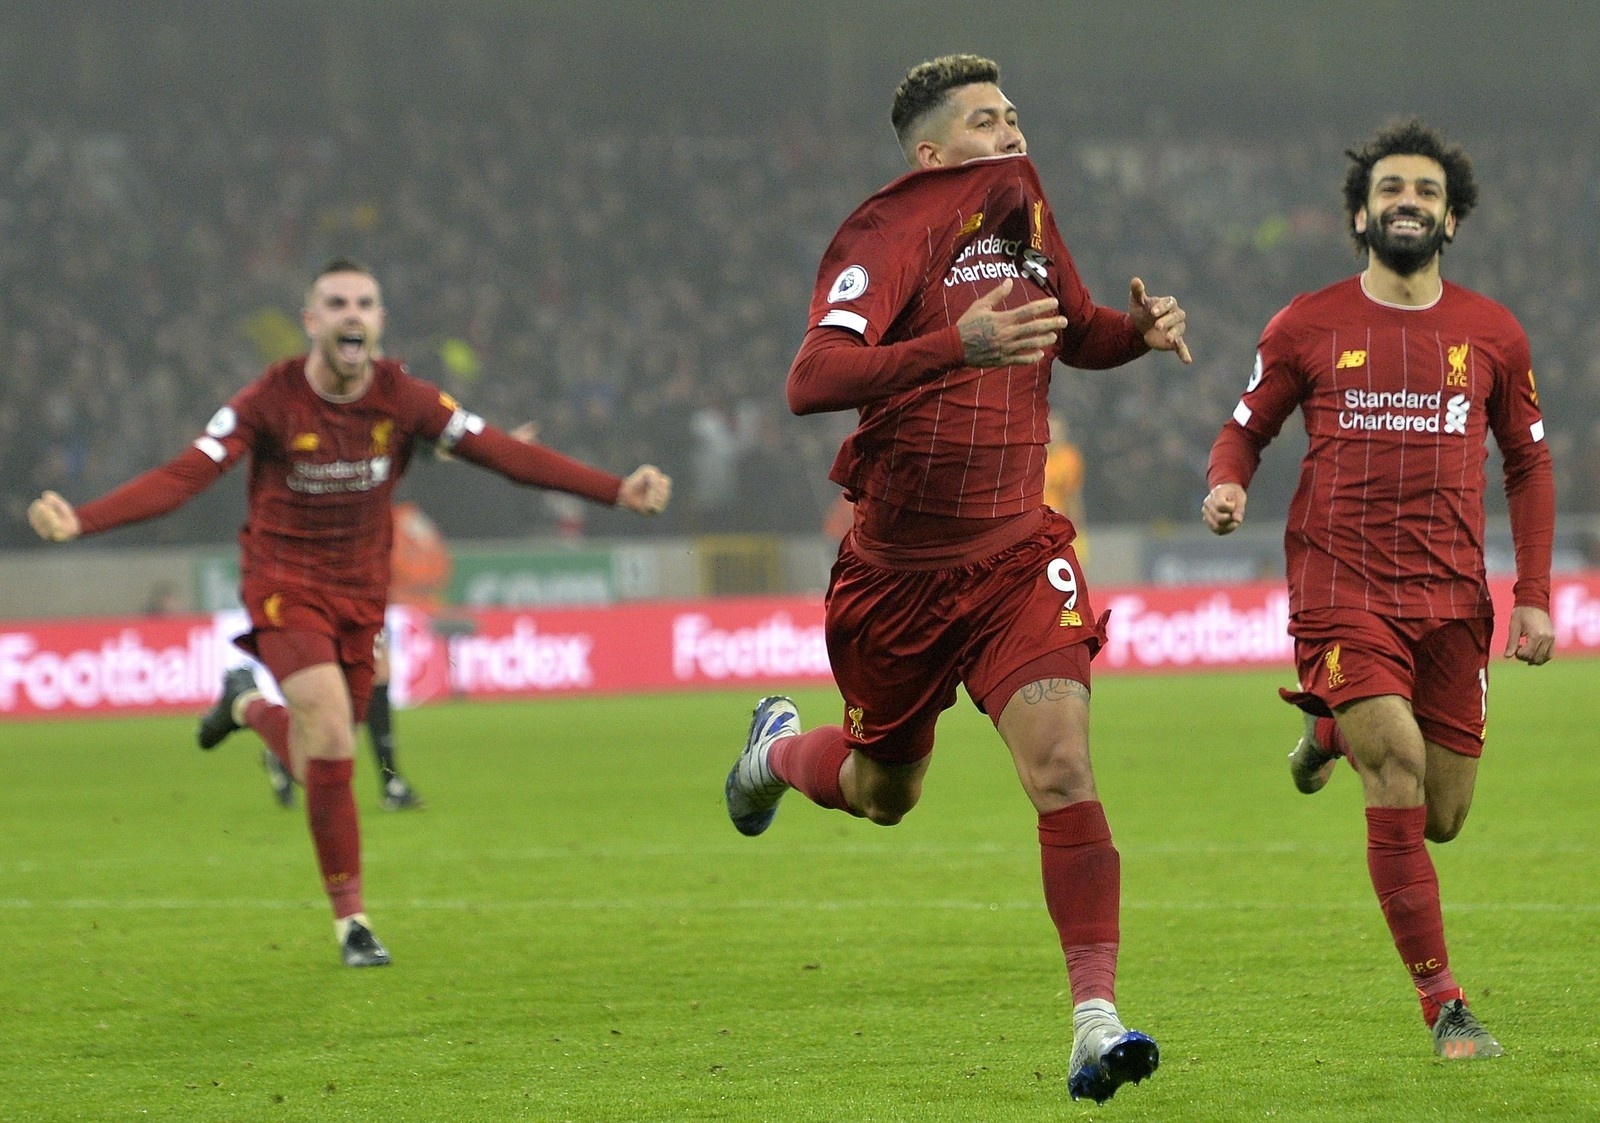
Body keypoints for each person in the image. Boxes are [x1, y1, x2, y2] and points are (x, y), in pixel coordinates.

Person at [722, 55, 1190, 1105]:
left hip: (1018, 556)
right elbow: (810, 379)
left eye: (1014, 114)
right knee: (882, 793)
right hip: (896, 580)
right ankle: (773, 753)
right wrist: (954, 345)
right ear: (931, 154)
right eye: (986, 120)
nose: (1011, 132)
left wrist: (1136, 334)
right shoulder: (886, 232)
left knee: (1062, 765)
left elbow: (1074, 328)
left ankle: (1094, 1019)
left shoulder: (1024, 210)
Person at [29, 258, 672, 968]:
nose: (351, 314)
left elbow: (501, 453)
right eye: (336, 303)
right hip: (284, 583)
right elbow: (185, 474)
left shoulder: (405, 398)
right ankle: (353, 923)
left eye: (364, 303)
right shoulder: (268, 400)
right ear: (311, 321)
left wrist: (616, 490)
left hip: (362, 593)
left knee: (320, 762)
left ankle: (244, 704)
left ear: (380, 320)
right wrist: (82, 520)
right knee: (333, 732)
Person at [1200, 119, 1554, 1059]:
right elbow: (1245, 428)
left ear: (1451, 219)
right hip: (1340, 584)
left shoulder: (1493, 333)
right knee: (1396, 763)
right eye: (1391, 188)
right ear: (1360, 215)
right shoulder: (1306, 324)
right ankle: (1447, 1006)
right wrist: (1226, 482)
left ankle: (1327, 730)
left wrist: (1533, 591)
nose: (1409, 201)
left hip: (1452, 599)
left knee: (1441, 815)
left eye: (1427, 191)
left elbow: (1528, 463)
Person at [260, 499, 443, 811]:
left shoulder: (366, 511)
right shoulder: (318, 511)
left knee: (378, 673)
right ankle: (284, 753)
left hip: (360, 600)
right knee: (335, 701)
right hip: (321, 601)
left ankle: (391, 781)